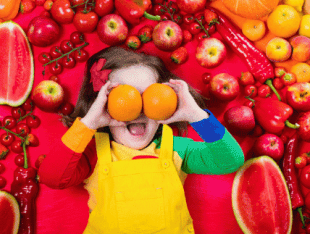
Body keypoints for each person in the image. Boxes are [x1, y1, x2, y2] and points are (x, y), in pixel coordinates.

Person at [39, 46, 245, 234]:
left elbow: (230, 160)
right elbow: (52, 177)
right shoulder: (94, 153)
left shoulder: (175, 148)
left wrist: (195, 115)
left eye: (149, 96)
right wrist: (89, 123)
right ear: (102, 104)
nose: (137, 109)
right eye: (124, 96)